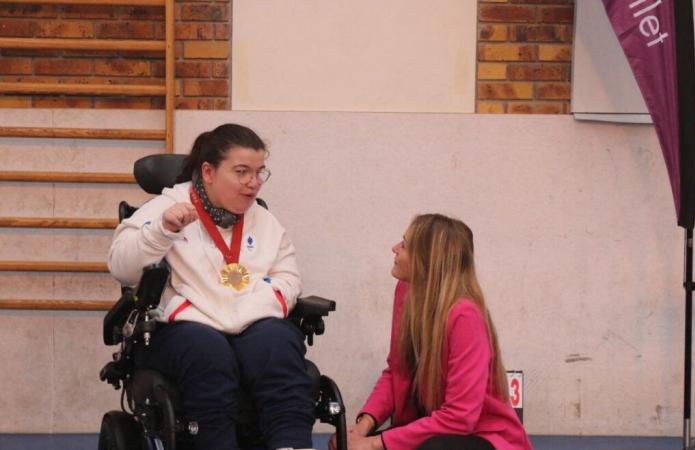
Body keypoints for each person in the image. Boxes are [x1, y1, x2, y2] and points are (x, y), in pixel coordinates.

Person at [108, 123, 314, 450]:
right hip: (185, 328)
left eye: (260, 172)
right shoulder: (168, 207)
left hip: (252, 321)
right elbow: (120, 267)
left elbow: (289, 278)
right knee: (208, 352)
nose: (253, 183)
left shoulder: (265, 222)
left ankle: (291, 444)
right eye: (242, 172)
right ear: (208, 171)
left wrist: (244, 312)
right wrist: (162, 231)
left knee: (277, 344)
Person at [331, 214, 532, 450]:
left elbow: (459, 419)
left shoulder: (465, 315)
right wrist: (363, 427)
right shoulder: (406, 292)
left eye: (404, 245)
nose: (394, 248)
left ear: (427, 259)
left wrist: (374, 443)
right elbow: (397, 370)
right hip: (434, 430)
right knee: (343, 445)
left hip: (482, 437)